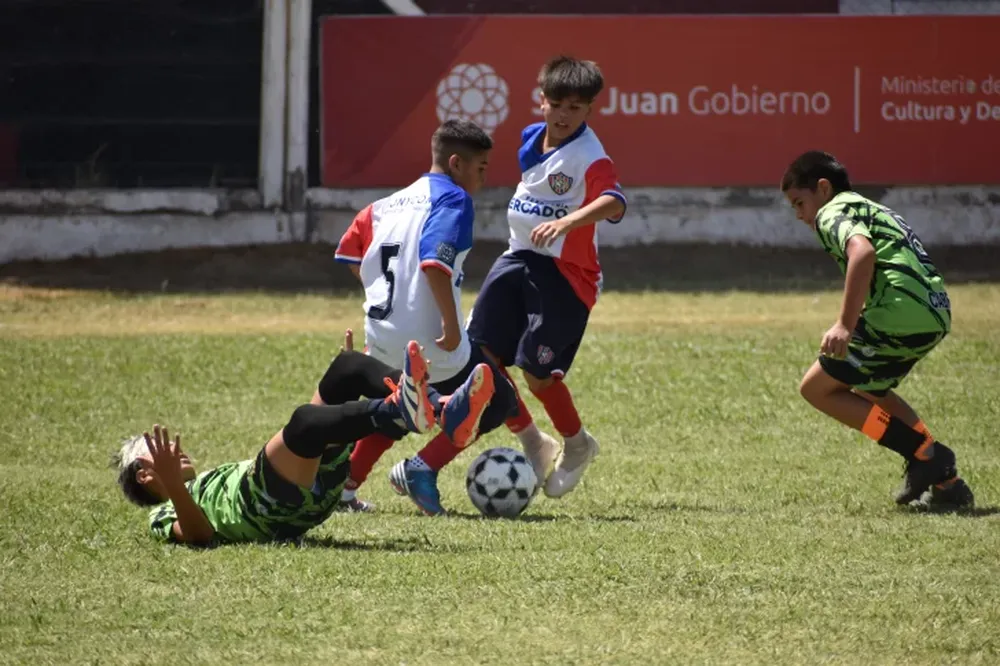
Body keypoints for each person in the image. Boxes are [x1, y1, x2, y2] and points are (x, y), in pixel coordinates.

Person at [112, 341, 494, 544]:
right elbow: (200, 536)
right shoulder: (160, 516)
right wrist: (176, 489)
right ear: (145, 474)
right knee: (304, 421)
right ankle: (403, 409)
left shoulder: (206, 479)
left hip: (298, 487)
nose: (175, 449)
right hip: (268, 507)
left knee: (347, 367)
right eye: (158, 447)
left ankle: (442, 409)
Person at [332, 118, 517, 516]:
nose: (484, 179)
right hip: (431, 340)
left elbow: (350, 255)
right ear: (456, 164)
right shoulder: (454, 200)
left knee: (398, 407)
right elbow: (435, 263)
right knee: (498, 400)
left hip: (380, 338)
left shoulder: (381, 207)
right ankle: (422, 468)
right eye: (481, 168)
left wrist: (390, 299)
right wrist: (451, 326)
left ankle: (343, 489)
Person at [465, 55, 627, 499]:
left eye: (574, 108)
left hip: (564, 275)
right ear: (541, 100)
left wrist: (567, 222)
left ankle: (577, 445)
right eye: (555, 103)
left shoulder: (590, 155)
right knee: (479, 355)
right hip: (518, 257)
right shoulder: (531, 139)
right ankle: (534, 443)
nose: (562, 114)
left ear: (589, 111)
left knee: (538, 376)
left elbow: (613, 201)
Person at [780, 150, 974, 510]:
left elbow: (863, 253)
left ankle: (926, 454)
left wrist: (845, 324)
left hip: (899, 311)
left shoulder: (832, 211)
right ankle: (949, 486)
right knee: (874, 390)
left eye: (799, 202)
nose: (800, 215)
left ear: (823, 188)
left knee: (816, 388)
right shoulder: (868, 206)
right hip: (933, 312)